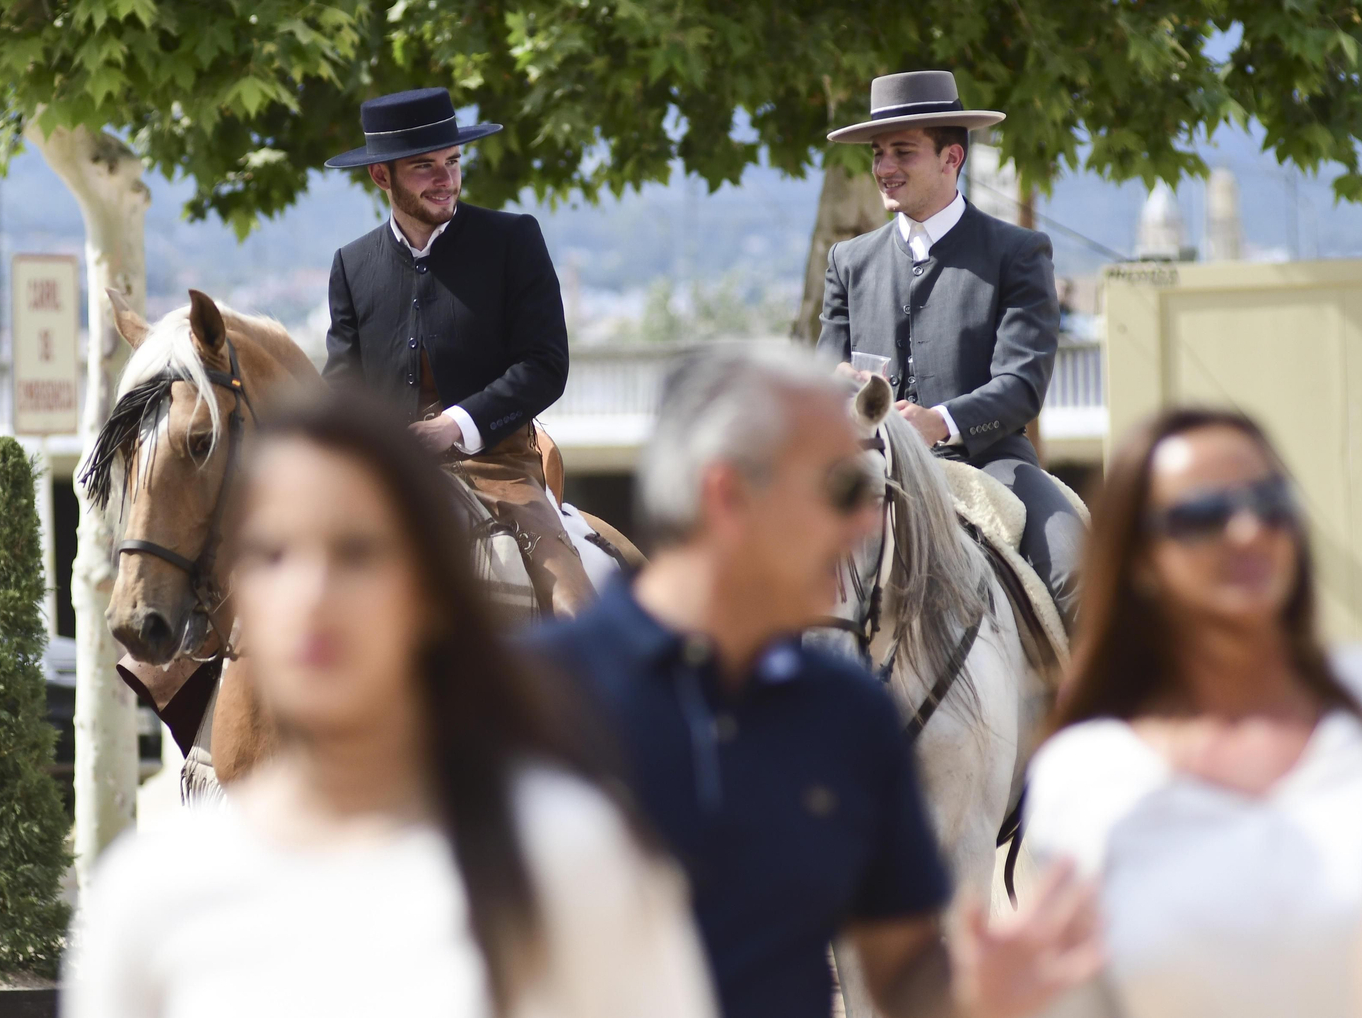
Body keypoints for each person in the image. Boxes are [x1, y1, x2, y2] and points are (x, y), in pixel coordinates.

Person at [63, 392, 716, 1018]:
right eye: (272, 553)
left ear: (430, 594)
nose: (312, 593)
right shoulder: (150, 897)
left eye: (356, 552)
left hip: (499, 459)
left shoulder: (580, 861)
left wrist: (460, 425)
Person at [532, 348, 1101, 1018]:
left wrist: (982, 993)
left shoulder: (853, 712)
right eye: (841, 492)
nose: (866, 524)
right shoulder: (538, 702)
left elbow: (901, 972)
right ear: (727, 494)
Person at [1024, 408, 1362, 1018]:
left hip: (990, 437)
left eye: (1272, 501)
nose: (1249, 529)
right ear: (1138, 559)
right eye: (1201, 515)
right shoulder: (1079, 775)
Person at [819, 69, 1083, 623]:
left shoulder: (1019, 252)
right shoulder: (848, 262)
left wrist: (938, 422)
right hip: (872, 469)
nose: (884, 168)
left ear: (951, 158)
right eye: (878, 154)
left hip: (991, 467)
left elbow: (1021, 386)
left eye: (902, 153)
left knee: (1073, 568)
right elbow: (824, 377)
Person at [321, 86, 594, 618]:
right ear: (382, 176)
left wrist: (454, 426)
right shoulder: (352, 266)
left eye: (452, 161)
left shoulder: (513, 239)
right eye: (425, 167)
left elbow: (545, 365)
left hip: (501, 468)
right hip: (385, 477)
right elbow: (341, 392)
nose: (446, 179)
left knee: (574, 608)